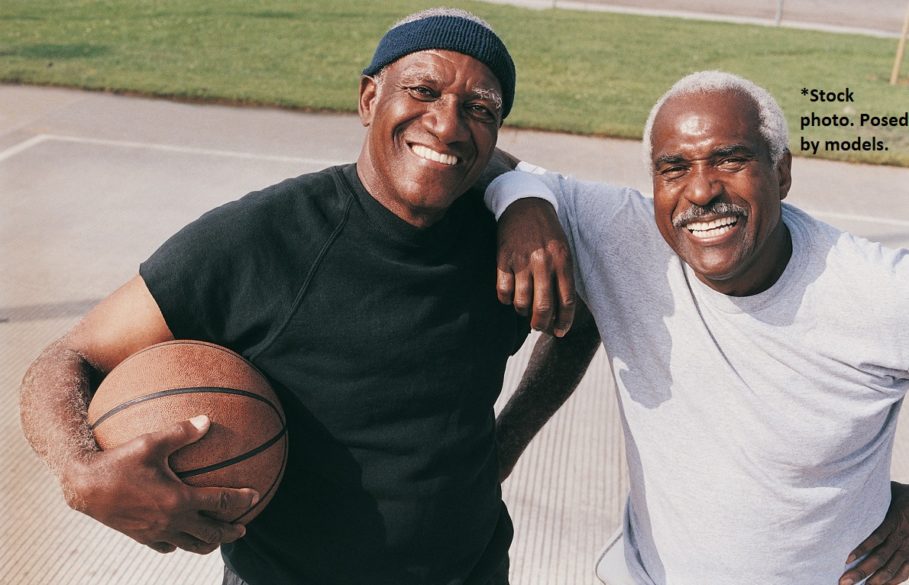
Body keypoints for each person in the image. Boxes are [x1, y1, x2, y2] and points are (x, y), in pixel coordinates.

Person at [18, 9, 574, 585]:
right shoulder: (260, 239)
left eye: (479, 109)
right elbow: (70, 357)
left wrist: (507, 441)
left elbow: (578, 324)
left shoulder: (513, 249)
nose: (448, 125)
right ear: (367, 99)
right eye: (423, 91)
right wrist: (80, 471)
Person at [486, 71, 909, 584]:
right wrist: (523, 202)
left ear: (781, 173)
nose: (702, 190)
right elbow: (485, 158)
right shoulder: (629, 236)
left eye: (731, 160)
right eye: (674, 167)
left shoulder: (877, 293)